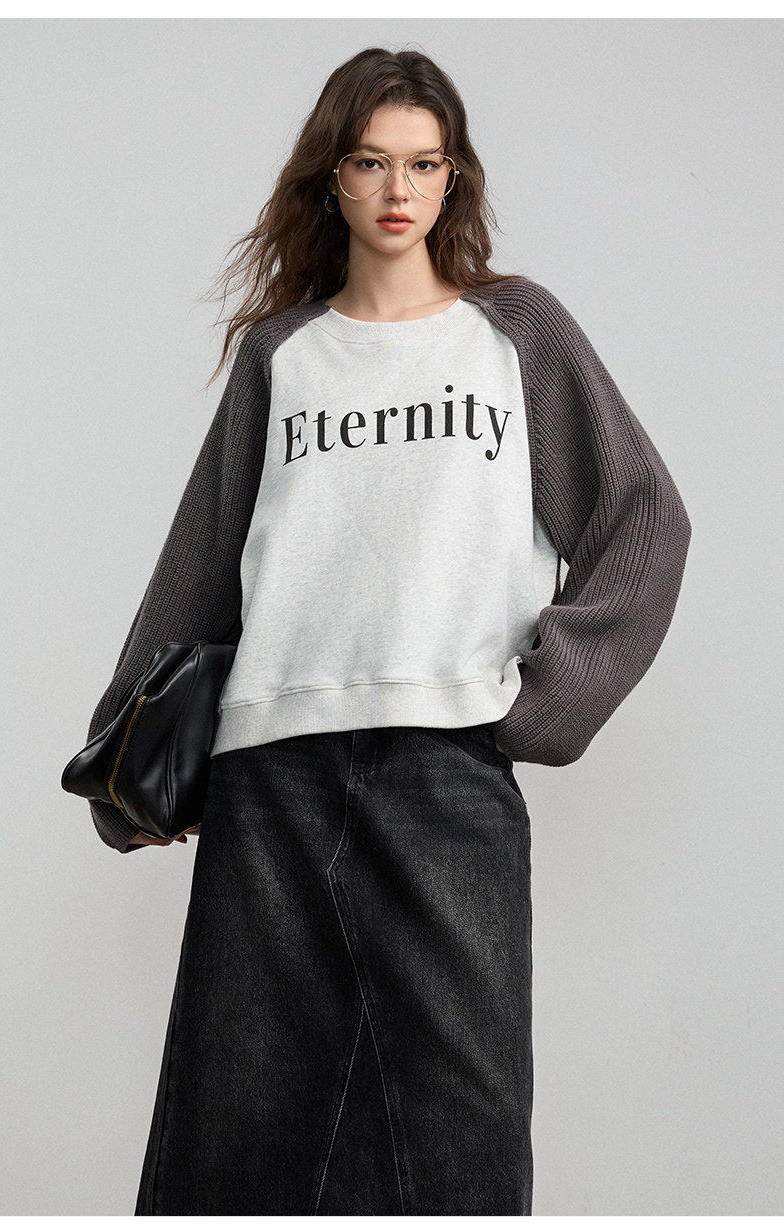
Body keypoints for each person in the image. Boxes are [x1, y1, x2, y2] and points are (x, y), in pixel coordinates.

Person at [83, 46, 691, 1215]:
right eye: (370, 162)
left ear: (454, 178)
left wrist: (544, 703)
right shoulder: (281, 354)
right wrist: (128, 770)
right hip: (272, 782)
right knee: (240, 1137)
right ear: (333, 179)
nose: (397, 189)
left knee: (462, 1140)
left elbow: (642, 518)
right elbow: (202, 566)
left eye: (423, 163)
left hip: (446, 772)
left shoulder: (517, 334)